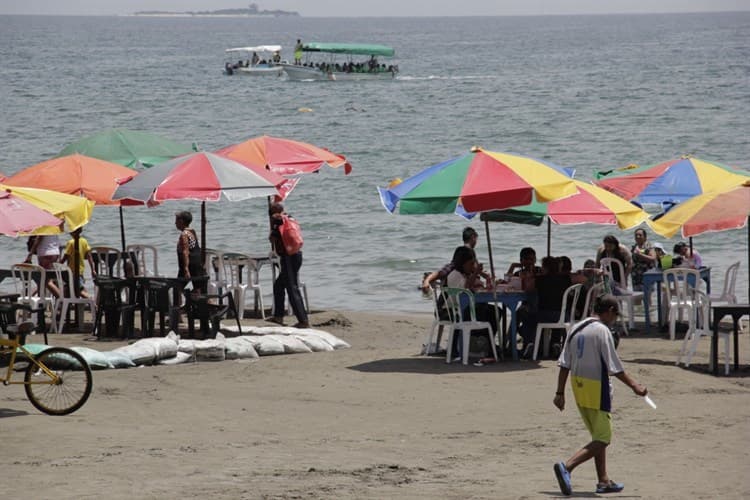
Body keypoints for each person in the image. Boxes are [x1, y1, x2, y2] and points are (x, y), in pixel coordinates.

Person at [552, 294, 648, 496]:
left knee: (597, 435)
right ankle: (567, 467)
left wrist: (560, 392)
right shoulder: (602, 331)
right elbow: (615, 367)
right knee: (604, 438)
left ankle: (603, 481)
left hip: (578, 387)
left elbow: (564, 363)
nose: (614, 320)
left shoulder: (576, 328)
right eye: (615, 315)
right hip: (598, 389)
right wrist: (634, 386)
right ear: (610, 311)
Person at [267, 202, 309, 328]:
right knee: (279, 286)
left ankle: (303, 320)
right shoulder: (290, 218)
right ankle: (278, 316)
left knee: (292, 288)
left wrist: (272, 231)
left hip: (288, 257)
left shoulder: (278, 221)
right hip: (296, 254)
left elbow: (273, 237)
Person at [420, 227, 491, 292]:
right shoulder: (457, 266)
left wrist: (484, 275)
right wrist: (427, 281)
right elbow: (439, 273)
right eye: (476, 239)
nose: (476, 242)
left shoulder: (465, 255)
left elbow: (475, 269)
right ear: (473, 237)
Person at [60, 228, 96, 298]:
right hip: (81, 270)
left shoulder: (71, 243)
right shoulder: (84, 241)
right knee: (75, 288)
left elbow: (65, 257)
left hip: (72, 271)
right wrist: (92, 269)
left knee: (79, 289)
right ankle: (66, 306)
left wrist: (58, 264)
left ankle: (90, 300)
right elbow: (89, 256)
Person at [175, 211, 205, 293]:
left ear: (181, 221)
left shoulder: (184, 235)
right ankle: (197, 303)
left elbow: (185, 252)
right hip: (197, 264)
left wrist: (186, 269)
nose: (175, 223)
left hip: (189, 265)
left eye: (176, 220)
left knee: (177, 288)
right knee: (198, 288)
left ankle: (179, 304)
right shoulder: (192, 231)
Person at [25, 231, 61, 298]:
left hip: (45, 252)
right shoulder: (53, 223)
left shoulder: (43, 224)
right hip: (54, 252)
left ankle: (61, 299)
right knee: (44, 280)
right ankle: (41, 301)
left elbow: (39, 238)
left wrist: (30, 254)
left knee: (44, 280)